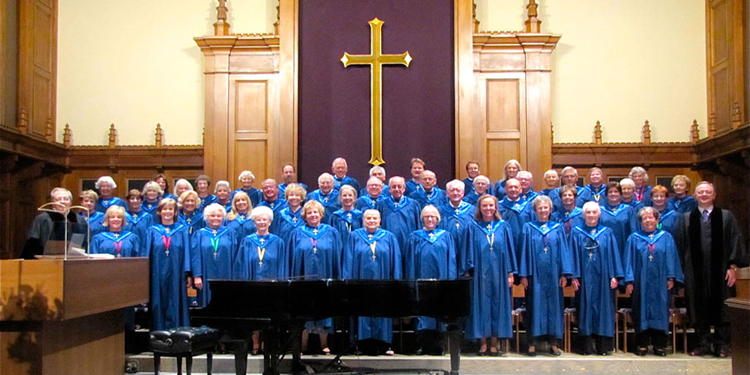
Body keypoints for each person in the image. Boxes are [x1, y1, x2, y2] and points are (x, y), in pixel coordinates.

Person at [677, 181, 748, 357]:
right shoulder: (687, 218)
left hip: (721, 270)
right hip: (695, 271)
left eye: (708, 192)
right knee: (697, 305)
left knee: (722, 305)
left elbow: (735, 241)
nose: (704, 195)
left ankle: (721, 344)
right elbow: (680, 246)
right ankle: (703, 343)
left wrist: (732, 266)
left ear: (714, 195)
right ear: (695, 196)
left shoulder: (726, 217)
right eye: (700, 192)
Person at [623, 207, 684, 357]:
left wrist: (671, 277)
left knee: (661, 311)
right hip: (640, 282)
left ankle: (660, 345)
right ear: (641, 221)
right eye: (645, 218)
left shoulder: (666, 237)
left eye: (651, 217)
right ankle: (642, 344)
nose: (648, 220)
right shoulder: (634, 238)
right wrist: (629, 280)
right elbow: (628, 261)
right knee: (641, 310)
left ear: (657, 220)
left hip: (661, 283)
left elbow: (671, 257)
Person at [519, 196, 573, 356]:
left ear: (550, 210)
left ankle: (554, 343)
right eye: (540, 208)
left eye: (545, 208)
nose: (543, 210)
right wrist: (524, 274)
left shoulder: (558, 228)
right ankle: (532, 344)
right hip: (535, 277)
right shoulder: (528, 228)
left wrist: (564, 273)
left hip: (554, 275)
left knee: (554, 309)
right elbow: (524, 252)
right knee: (534, 307)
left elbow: (564, 250)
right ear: (535, 211)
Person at [342, 209, 401, 356]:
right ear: (363, 220)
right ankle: (362, 344)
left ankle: (384, 344)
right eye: (368, 218)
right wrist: (347, 281)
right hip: (360, 284)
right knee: (362, 312)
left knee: (383, 311)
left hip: (384, 284)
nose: (372, 221)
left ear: (380, 220)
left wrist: (397, 281)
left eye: (375, 218)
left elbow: (396, 261)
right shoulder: (354, 236)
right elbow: (348, 260)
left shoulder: (389, 237)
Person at [463, 195, 516, 356]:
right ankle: (483, 343)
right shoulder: (472, 226)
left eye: (490, 206)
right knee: (481, 306)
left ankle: (494, 342)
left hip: (499, 273)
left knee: (498, 306)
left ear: (495, 207)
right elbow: (468, 249)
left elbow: (509, 250)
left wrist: (510, 273)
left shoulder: (503, 226)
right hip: (480, 273)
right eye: (484, 206)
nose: (488, 208)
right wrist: (468, 269)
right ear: (479, 208)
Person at [569, 202, 624, 355]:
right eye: (588, 212)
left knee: (604, 310)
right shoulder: (576, 232)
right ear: (583, 215)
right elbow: (572, 254)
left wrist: (614, 275)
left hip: (604, 277)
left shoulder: (607, 232)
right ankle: (586, 346)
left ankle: (603, 347)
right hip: (584, 278)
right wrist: (574, 275)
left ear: (599, 214)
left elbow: (614, 254)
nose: (591, 215)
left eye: (594, 212)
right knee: (585, 309)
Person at [289, 200, 342, 355]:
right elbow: (292, 256)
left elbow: (337, 256)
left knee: (324, 308)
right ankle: (303, 343)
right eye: (310, 212)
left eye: (315, 212)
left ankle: (324, 342)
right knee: (304, 309)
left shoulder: (331, 232)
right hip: (303, 279)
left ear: (321, 214)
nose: (313, 215)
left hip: (325, 277)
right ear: (305, 216)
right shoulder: (297, 232)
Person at [235, 206, 289, 355]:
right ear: (254, 222)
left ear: (270, 222)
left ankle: (268, 342)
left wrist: (281, 284)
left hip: (271, 287)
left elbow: (283, 265)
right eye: (258, 219)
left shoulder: (278, 242)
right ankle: (255, 343)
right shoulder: (247, 241)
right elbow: (240, 264)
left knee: (270, 314)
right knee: (253, 314)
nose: (262, 222)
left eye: (264, 219)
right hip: (252, 285)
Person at [405, 205, 457, 356]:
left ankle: (438, 345)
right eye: (426, 216)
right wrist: (411, 280)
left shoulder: (446, 236)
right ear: (422, 219)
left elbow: (451, 259)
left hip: (441, 281)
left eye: (432, 216)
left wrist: (450, 281)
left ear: (438, 219)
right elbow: (410, 260)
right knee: (422, 312)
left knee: (439, 311)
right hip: (421, 280)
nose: (429, 219)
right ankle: (422, 344)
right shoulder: (415, 236)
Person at [142, 198, 192, 330]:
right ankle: (158, 334)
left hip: (177, 271)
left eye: (171, 209)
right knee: (158, 302)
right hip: (156, 272)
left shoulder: (182, 230)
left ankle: (178, 335)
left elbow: (187, 251)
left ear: (175, 212)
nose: (167, 212)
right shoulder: (152, 231)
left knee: (177, 301)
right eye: (165, 209)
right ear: (159, 211)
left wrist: (187, 272)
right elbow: (147, 253)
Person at [191, 203, 238, 308]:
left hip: (226, 273)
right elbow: (195, 256)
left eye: (218, 216)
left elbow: (235, 256)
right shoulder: (199, 234)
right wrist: (197, 276)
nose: (215, 218)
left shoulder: (230, 233)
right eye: (212, 216)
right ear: (207, 217)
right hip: (206, 273)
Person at [21, 187, 87, 259]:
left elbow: (84, 242)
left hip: (72, 260)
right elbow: (33, 242)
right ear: (52, 202)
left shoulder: (79, 219)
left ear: (70, 202)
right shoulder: (43, 219)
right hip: (46, 261)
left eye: (66, 199)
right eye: (58, 199)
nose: (62, 202)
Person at [377, 176, 421, 275]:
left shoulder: (413, 204)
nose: (397, 189)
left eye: (399, 187)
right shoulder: (382, 204)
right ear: (389, 189)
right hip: (387, 244)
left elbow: (418, 226)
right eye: (394, 187)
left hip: (408, 244)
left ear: (404, 189)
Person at [438, 179, 475, 271]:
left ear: (463, 193)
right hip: (447, 249)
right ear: (447, 193)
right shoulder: (440, 211)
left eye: (458, 190)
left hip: (467, 249)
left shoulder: (472, 210)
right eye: (452, 190)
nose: (455, 193)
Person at [498, 178, 535, 258]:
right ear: (505, 189)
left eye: (516, 187)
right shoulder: (498, 206)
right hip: (504, 242)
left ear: (520, 189)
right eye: (510, 187)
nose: (513, 189)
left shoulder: (529, 206)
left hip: (524, 242)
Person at [599, 182, 637, 257]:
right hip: (606, 248)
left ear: (620, 194)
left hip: (624, 247)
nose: (613, 194)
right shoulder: (600, 210)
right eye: (610, 192)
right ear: (606, 195)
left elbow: (633, 230)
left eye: (616, 191)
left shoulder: (628, 210)